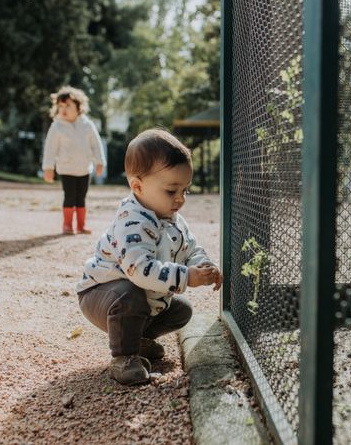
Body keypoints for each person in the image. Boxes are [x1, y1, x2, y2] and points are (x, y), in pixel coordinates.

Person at [76, 128, 223, 385]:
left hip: (138, 294)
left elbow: (191, 248)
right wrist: (187, 277)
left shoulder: (173, 219)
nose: (180, 199)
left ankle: (138, 341)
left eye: (185, 191)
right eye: (171, 191)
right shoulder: (132, 221)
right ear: (137, 186)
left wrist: (203, 266)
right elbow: (139, 270)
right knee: (129, 295)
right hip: (102, 294)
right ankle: (124, 357)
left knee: (181, 311)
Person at [41, 86, 106, 234]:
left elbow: (96, 144)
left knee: (81, 198)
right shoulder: (56, 126)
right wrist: (48, 168)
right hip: (66, 169)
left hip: (84, 169)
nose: (63, 109)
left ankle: (81, 225)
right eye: (60, 106)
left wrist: (100, 162)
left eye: (68, 105)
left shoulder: (87, 125)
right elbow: (50, 149)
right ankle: (68, 225)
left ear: (78, 107)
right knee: (69, 197)